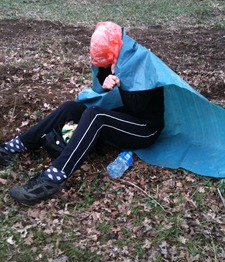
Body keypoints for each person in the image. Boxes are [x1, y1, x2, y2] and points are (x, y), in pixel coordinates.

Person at [0, 21, 164, 206]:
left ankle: (53, 178)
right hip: (123, 118)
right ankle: (14, 147)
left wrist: (120, 80)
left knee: (96, 115)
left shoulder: (142, 62)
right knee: (70, 107)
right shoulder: (115, 57)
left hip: (145, 128)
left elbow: (138, 107)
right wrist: (107, 78)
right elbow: (101, 78)